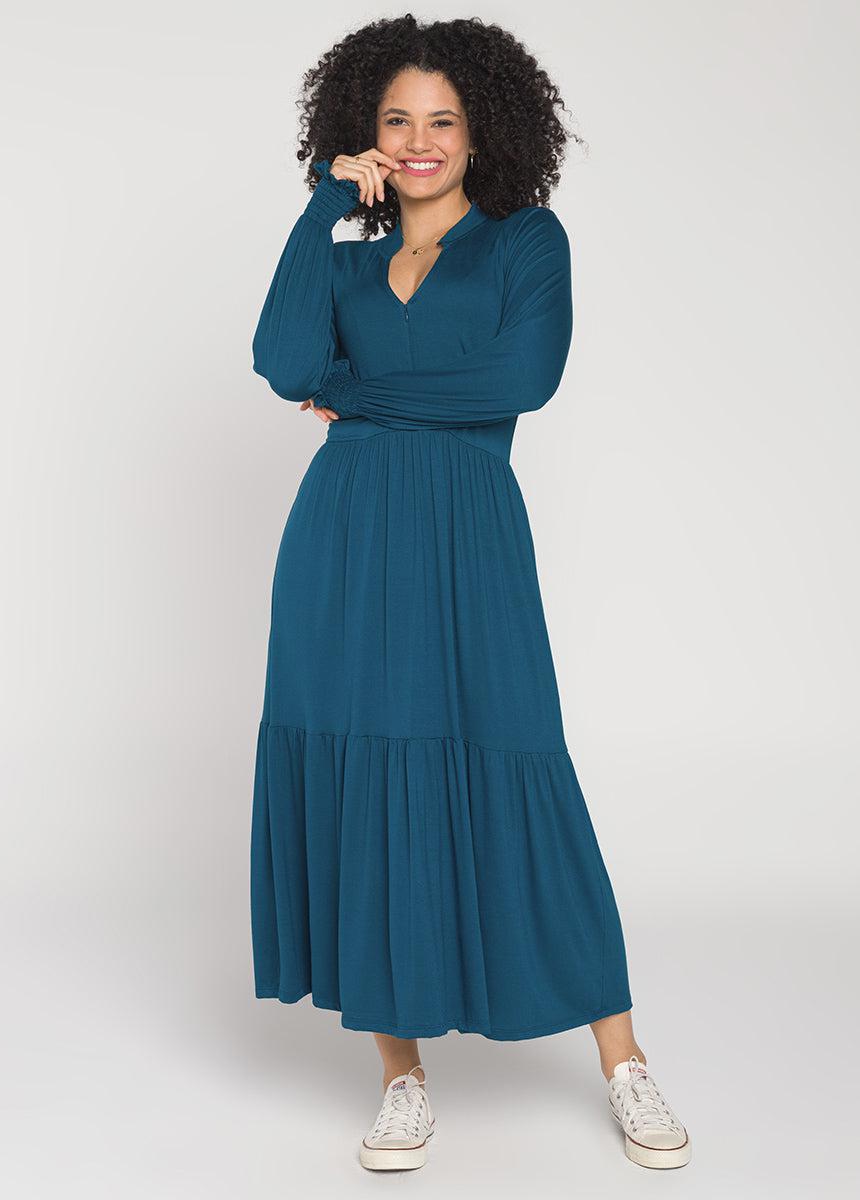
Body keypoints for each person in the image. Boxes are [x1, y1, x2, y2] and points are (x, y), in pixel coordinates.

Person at [249, 13, 691, 1172]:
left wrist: (361, 393)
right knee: (366, 779)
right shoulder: (345, 261)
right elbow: (283, 365)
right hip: (343, 544)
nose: (418, 140)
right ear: (363, 134)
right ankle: (400, 1076)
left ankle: (624, 1062)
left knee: (517, 760)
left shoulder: (526, 242)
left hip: (468, 539)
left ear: (483, 130)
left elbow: (518, 381)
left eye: (442, 120)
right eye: (395, 120)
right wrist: (318, 202)